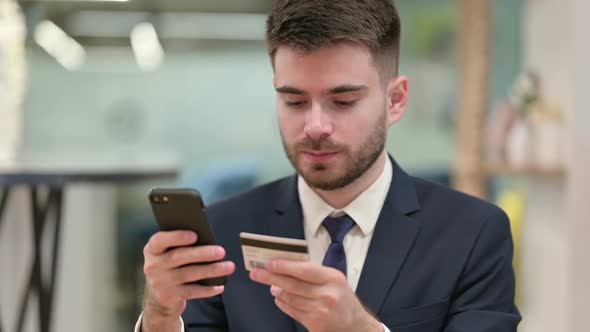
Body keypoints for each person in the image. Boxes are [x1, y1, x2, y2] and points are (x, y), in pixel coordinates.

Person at [135, 0, 521, 331]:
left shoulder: (472, 234)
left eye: (343, 101)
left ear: (396, 100)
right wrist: (160, 315)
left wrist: (363, 329)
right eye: (295, 101)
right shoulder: (224, 229)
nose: (315, 126)